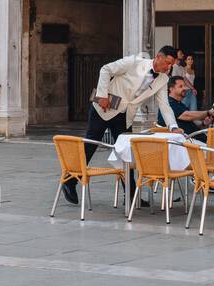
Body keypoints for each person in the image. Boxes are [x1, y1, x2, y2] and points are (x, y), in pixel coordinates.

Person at [66, 45, 179, 204]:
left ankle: (132, 196)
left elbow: (165, 105)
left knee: (126, 153)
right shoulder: (134, 62)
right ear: (159, 57)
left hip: (125, 116)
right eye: (167, 62)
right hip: (104, 108)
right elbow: (105, 69)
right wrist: (102, 95)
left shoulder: (163, 79)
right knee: (90, 145)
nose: (169, 67)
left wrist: (173, 126)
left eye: (171, 65)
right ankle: (69, 181)